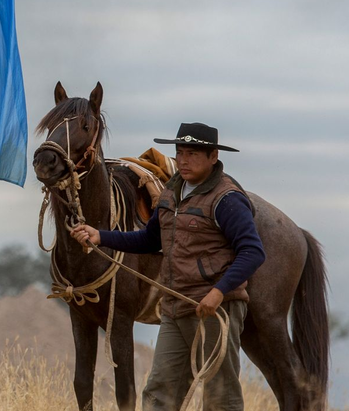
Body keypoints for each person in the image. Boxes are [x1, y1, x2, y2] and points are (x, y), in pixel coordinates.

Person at [71, 122, 265, 411]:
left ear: (213, 157)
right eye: (180, 152)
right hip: (174, 307)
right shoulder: (171, 193)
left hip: (215, 310)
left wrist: (218, 292)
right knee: (159, 392)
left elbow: (252, 252)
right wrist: (101, 236)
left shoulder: (227, 199)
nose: (183, 160)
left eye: (193, 154)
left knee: (219, 397)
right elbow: (150, 239)